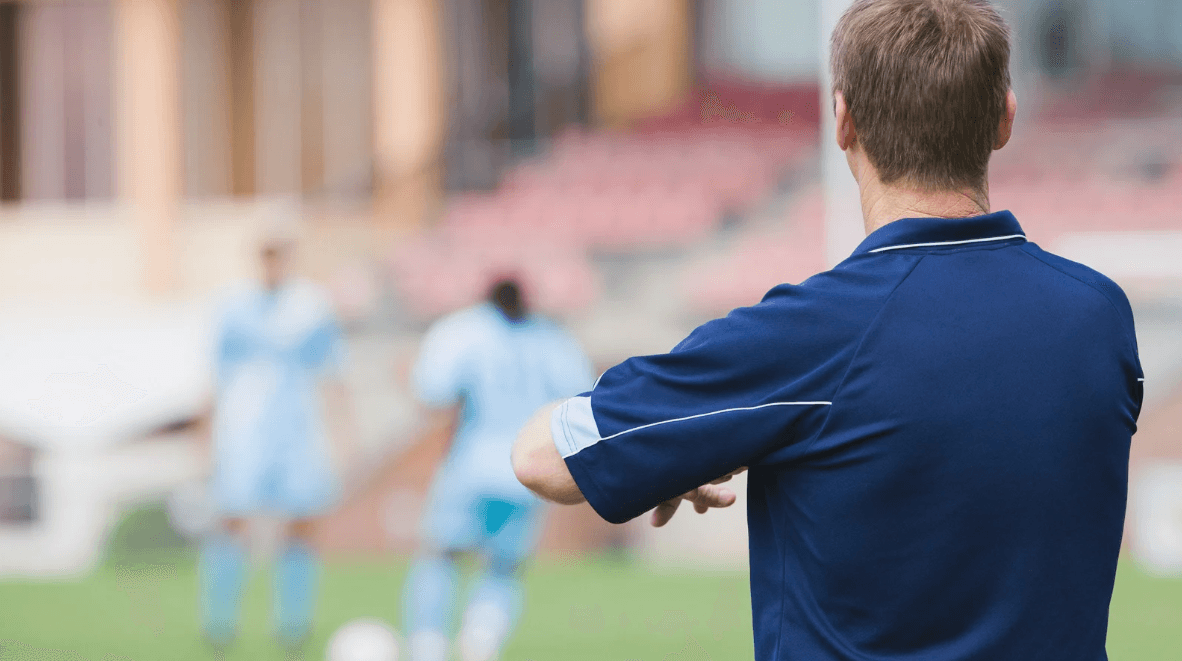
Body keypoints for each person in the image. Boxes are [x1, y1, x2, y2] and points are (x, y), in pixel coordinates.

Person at [512, 1, 1143, 660]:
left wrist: (693, 445)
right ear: (1006, 118)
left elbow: (543, 454)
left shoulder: (805, 338)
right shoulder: (1100, 317)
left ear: (842, 121)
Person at [402, 277, 594, 661]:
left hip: (469, 466)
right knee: (504, 566)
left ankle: (428, 645)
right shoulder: (553, 339)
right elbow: (582, 401)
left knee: (441, 554)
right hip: (526, 471)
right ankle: (481, 644)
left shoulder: (464, 330)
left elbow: (432, 392)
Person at [200, 228, 356, 653]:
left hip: (298, 434)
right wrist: (205, 439)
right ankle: (219, 622)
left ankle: (293, 625)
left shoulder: (311, 307)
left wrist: (344, 438)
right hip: (244, 433)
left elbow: (332, 375)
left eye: (278, 254)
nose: (271, 263)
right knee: (233, 522)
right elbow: (213, 378)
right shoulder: (232, 307)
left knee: (302, 526)